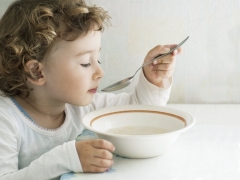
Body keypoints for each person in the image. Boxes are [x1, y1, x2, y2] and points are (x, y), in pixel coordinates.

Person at [0, 0, 182, 179]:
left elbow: (139, 111)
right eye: (86, 63)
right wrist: (65, 158)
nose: (100, 72)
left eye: (98, 59)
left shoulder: (82, 106)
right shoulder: (6, 120)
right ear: (37, 72)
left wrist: (153, 78)